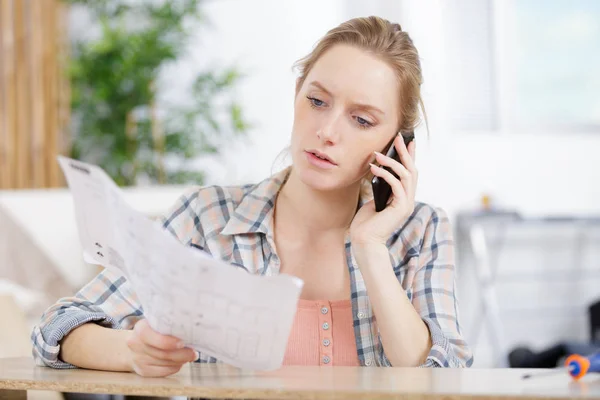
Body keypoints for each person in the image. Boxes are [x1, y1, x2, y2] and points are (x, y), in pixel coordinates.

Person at [31, 16, 473, 377]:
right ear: (296, 94)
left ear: (398, 144)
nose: (327, 131)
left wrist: (371, 249)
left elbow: (442, 373)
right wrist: (131, 351)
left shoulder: (422, 230)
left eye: (361, 119)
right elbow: (59, 325)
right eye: (317, 101)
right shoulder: (207, 218)